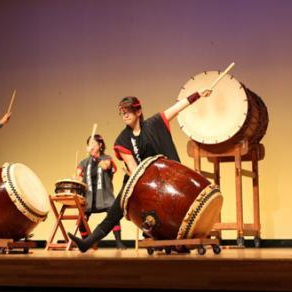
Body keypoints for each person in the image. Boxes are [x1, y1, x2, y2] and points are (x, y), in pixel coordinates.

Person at [69, 88, 211, 252]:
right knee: (114, 212)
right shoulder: (122, 139)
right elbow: (134, 169)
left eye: (128, 111)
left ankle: (178, 243)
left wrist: (198, 95)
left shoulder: (154, 124)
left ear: (138, 111)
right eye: (122, 113)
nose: (125, 115)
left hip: (165, 176)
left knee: (175, 207)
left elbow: (176, 108)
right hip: (138, 181)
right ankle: (87, 243)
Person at [74, 134, 124, 249]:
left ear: (100, 145)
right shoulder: (84, 162)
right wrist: (77, 178)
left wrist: (96, 157)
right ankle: (87, 242)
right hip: (89, 198)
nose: (90, 146)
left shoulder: (106, 159)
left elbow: (106, 166)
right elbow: (78, 174)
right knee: (81, 220)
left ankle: (119, 242)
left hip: (105, 197)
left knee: (114, 214)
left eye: (93, 144)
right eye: (88, 144)